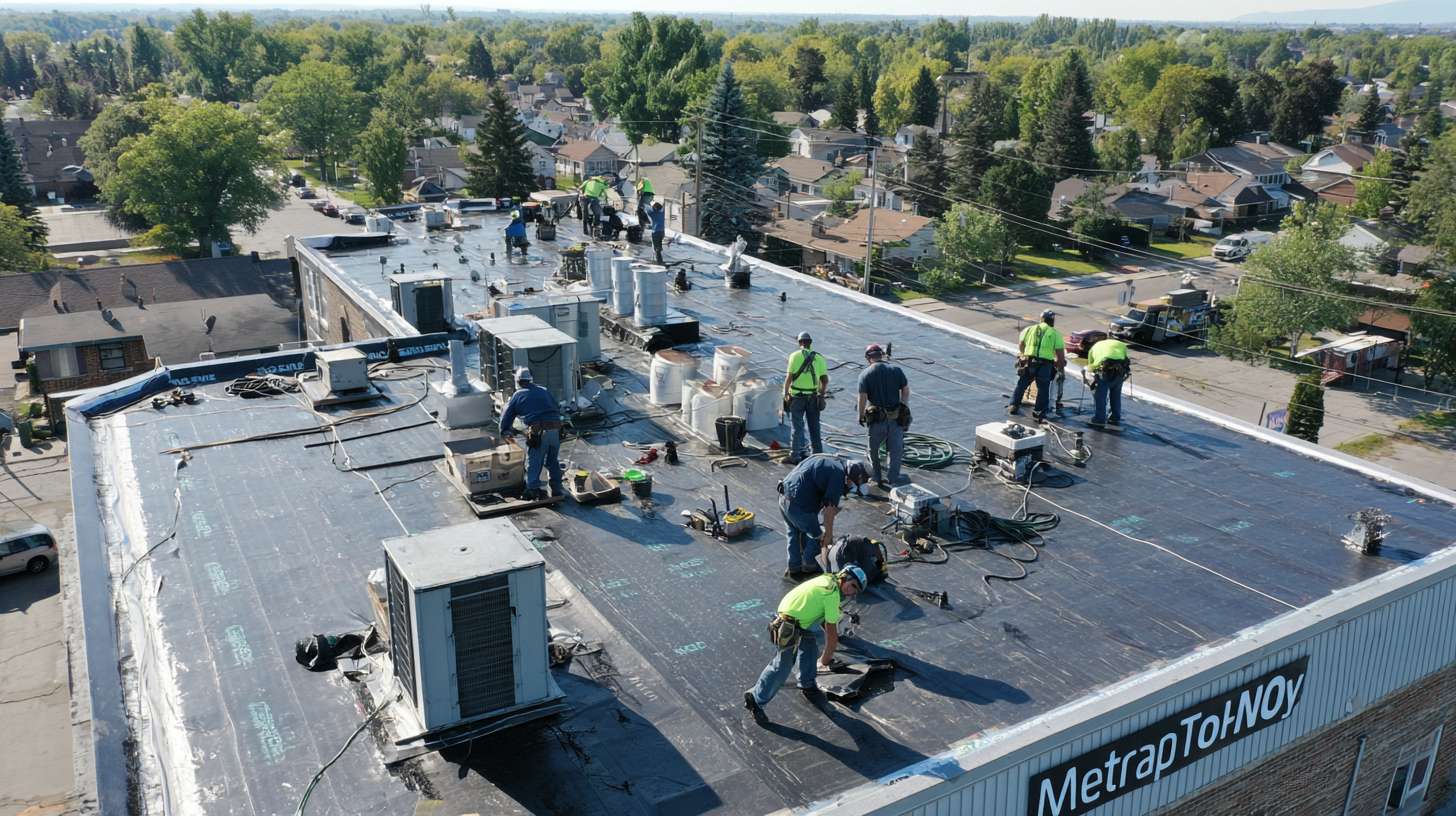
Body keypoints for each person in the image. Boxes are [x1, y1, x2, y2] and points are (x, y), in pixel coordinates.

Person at [744, 565, 866, 725]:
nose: (852, 593)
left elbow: (822, 618)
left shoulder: (828, 580)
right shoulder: (832, 593)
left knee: (809, 647)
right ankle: (755, 698)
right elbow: (831, 634)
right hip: (787, 624)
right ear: (845, 578)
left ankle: (807, 683)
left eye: (856, 591)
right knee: (782, 666)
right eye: (853, 587)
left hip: (799, 620)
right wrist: (826, 659)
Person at [778, 456, 869, 579]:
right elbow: (829, 512)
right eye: (852, 485)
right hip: (799, 507)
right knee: (818, 536)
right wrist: (828, 536)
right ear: (849, 478)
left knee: (794, 533)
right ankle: (809, 565)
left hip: (784, 498)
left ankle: (794, 567)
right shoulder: (838, 476)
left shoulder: (832, 462)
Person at [498, 367, 563, 500]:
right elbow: (556, 407)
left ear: (518, 382)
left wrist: (505, 431)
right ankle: (557, 489)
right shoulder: (544, 390)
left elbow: (507, 415)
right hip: (555, 431)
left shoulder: (518, 395)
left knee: (534, 460)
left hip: (539, 432)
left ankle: (532, 489)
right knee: (552, 461)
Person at [856, 343, 910, 489]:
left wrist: (860, 415)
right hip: (895, 419)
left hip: (876, 421)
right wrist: (903, 406)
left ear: (868, 358)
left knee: (873, 450)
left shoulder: (865, 374)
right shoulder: (896, 370)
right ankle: (892, 479)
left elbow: (862, 398)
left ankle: (876, 477)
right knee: (895, 450)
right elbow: (905, 390)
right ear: (882, 355)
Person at [1009, 309, 1066, 422]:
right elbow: (1060, 355)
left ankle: (1014, 406)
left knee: (1022, 384)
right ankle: (1038, 411)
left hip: (1030, 361)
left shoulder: (1029, 329)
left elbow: (1021, 345)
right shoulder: (1055, 334)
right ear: (1052, 321)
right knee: (1043, 388)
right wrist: (1060, 366)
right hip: (1045, 365)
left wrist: (1025, 355)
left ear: (1041, 319)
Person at [783, 331, 829, 463]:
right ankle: (818, 457)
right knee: (814, 428)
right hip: (813, 398)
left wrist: (786, 394)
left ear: (799, 343)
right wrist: (821, 394)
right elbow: (825, 380)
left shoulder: (794, 356)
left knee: (797, 427)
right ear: (810, 343)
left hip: (797, 397)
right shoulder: (819, 358)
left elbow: (789, 378)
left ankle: (795, 455)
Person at [1085, 337, 1131, 428]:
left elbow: (1091, 366)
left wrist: (1087, 370)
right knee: (1116, 395)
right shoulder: (1121, 345)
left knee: (1100, 395)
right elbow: (1125, 359)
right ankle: (1115, 417)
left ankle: (1099, 419)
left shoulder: (1094, 348)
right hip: (1120, 372)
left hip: (1105, 372)